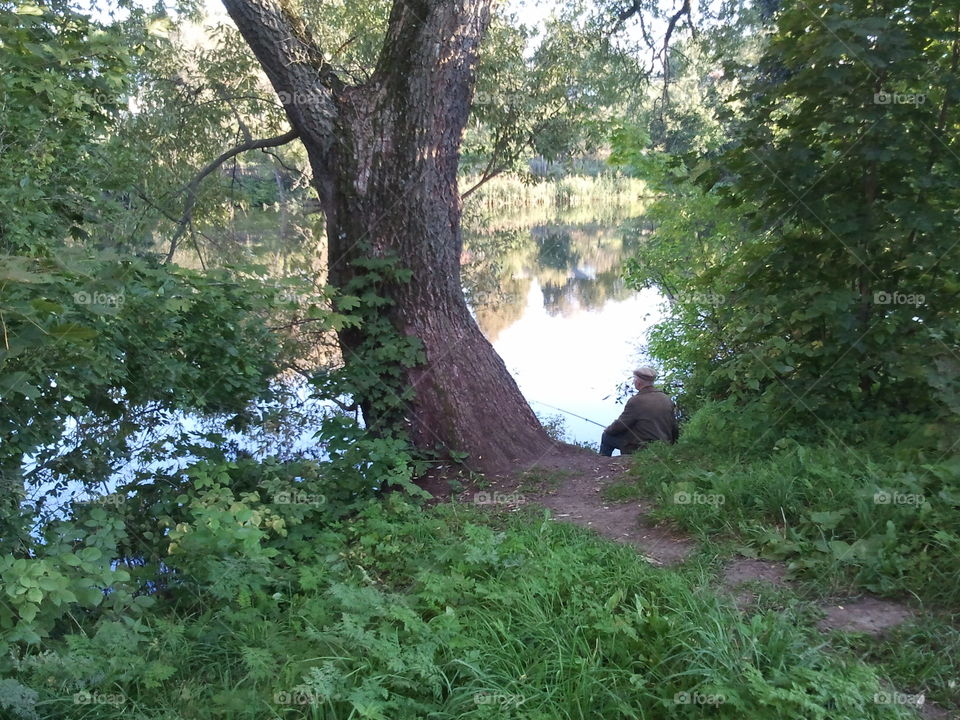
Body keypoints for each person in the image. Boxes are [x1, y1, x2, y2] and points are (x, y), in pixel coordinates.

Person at [599, 367, 678, 456]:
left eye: (634, 379)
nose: (633, 381)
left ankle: (601, 463)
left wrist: (608, 429)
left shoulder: (636, 401)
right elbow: (674, 427)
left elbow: (621, 424)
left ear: (638, 382)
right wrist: (672, 445)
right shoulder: (666, 399)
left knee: (607, 436)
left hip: (642, 447)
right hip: (663, 445)